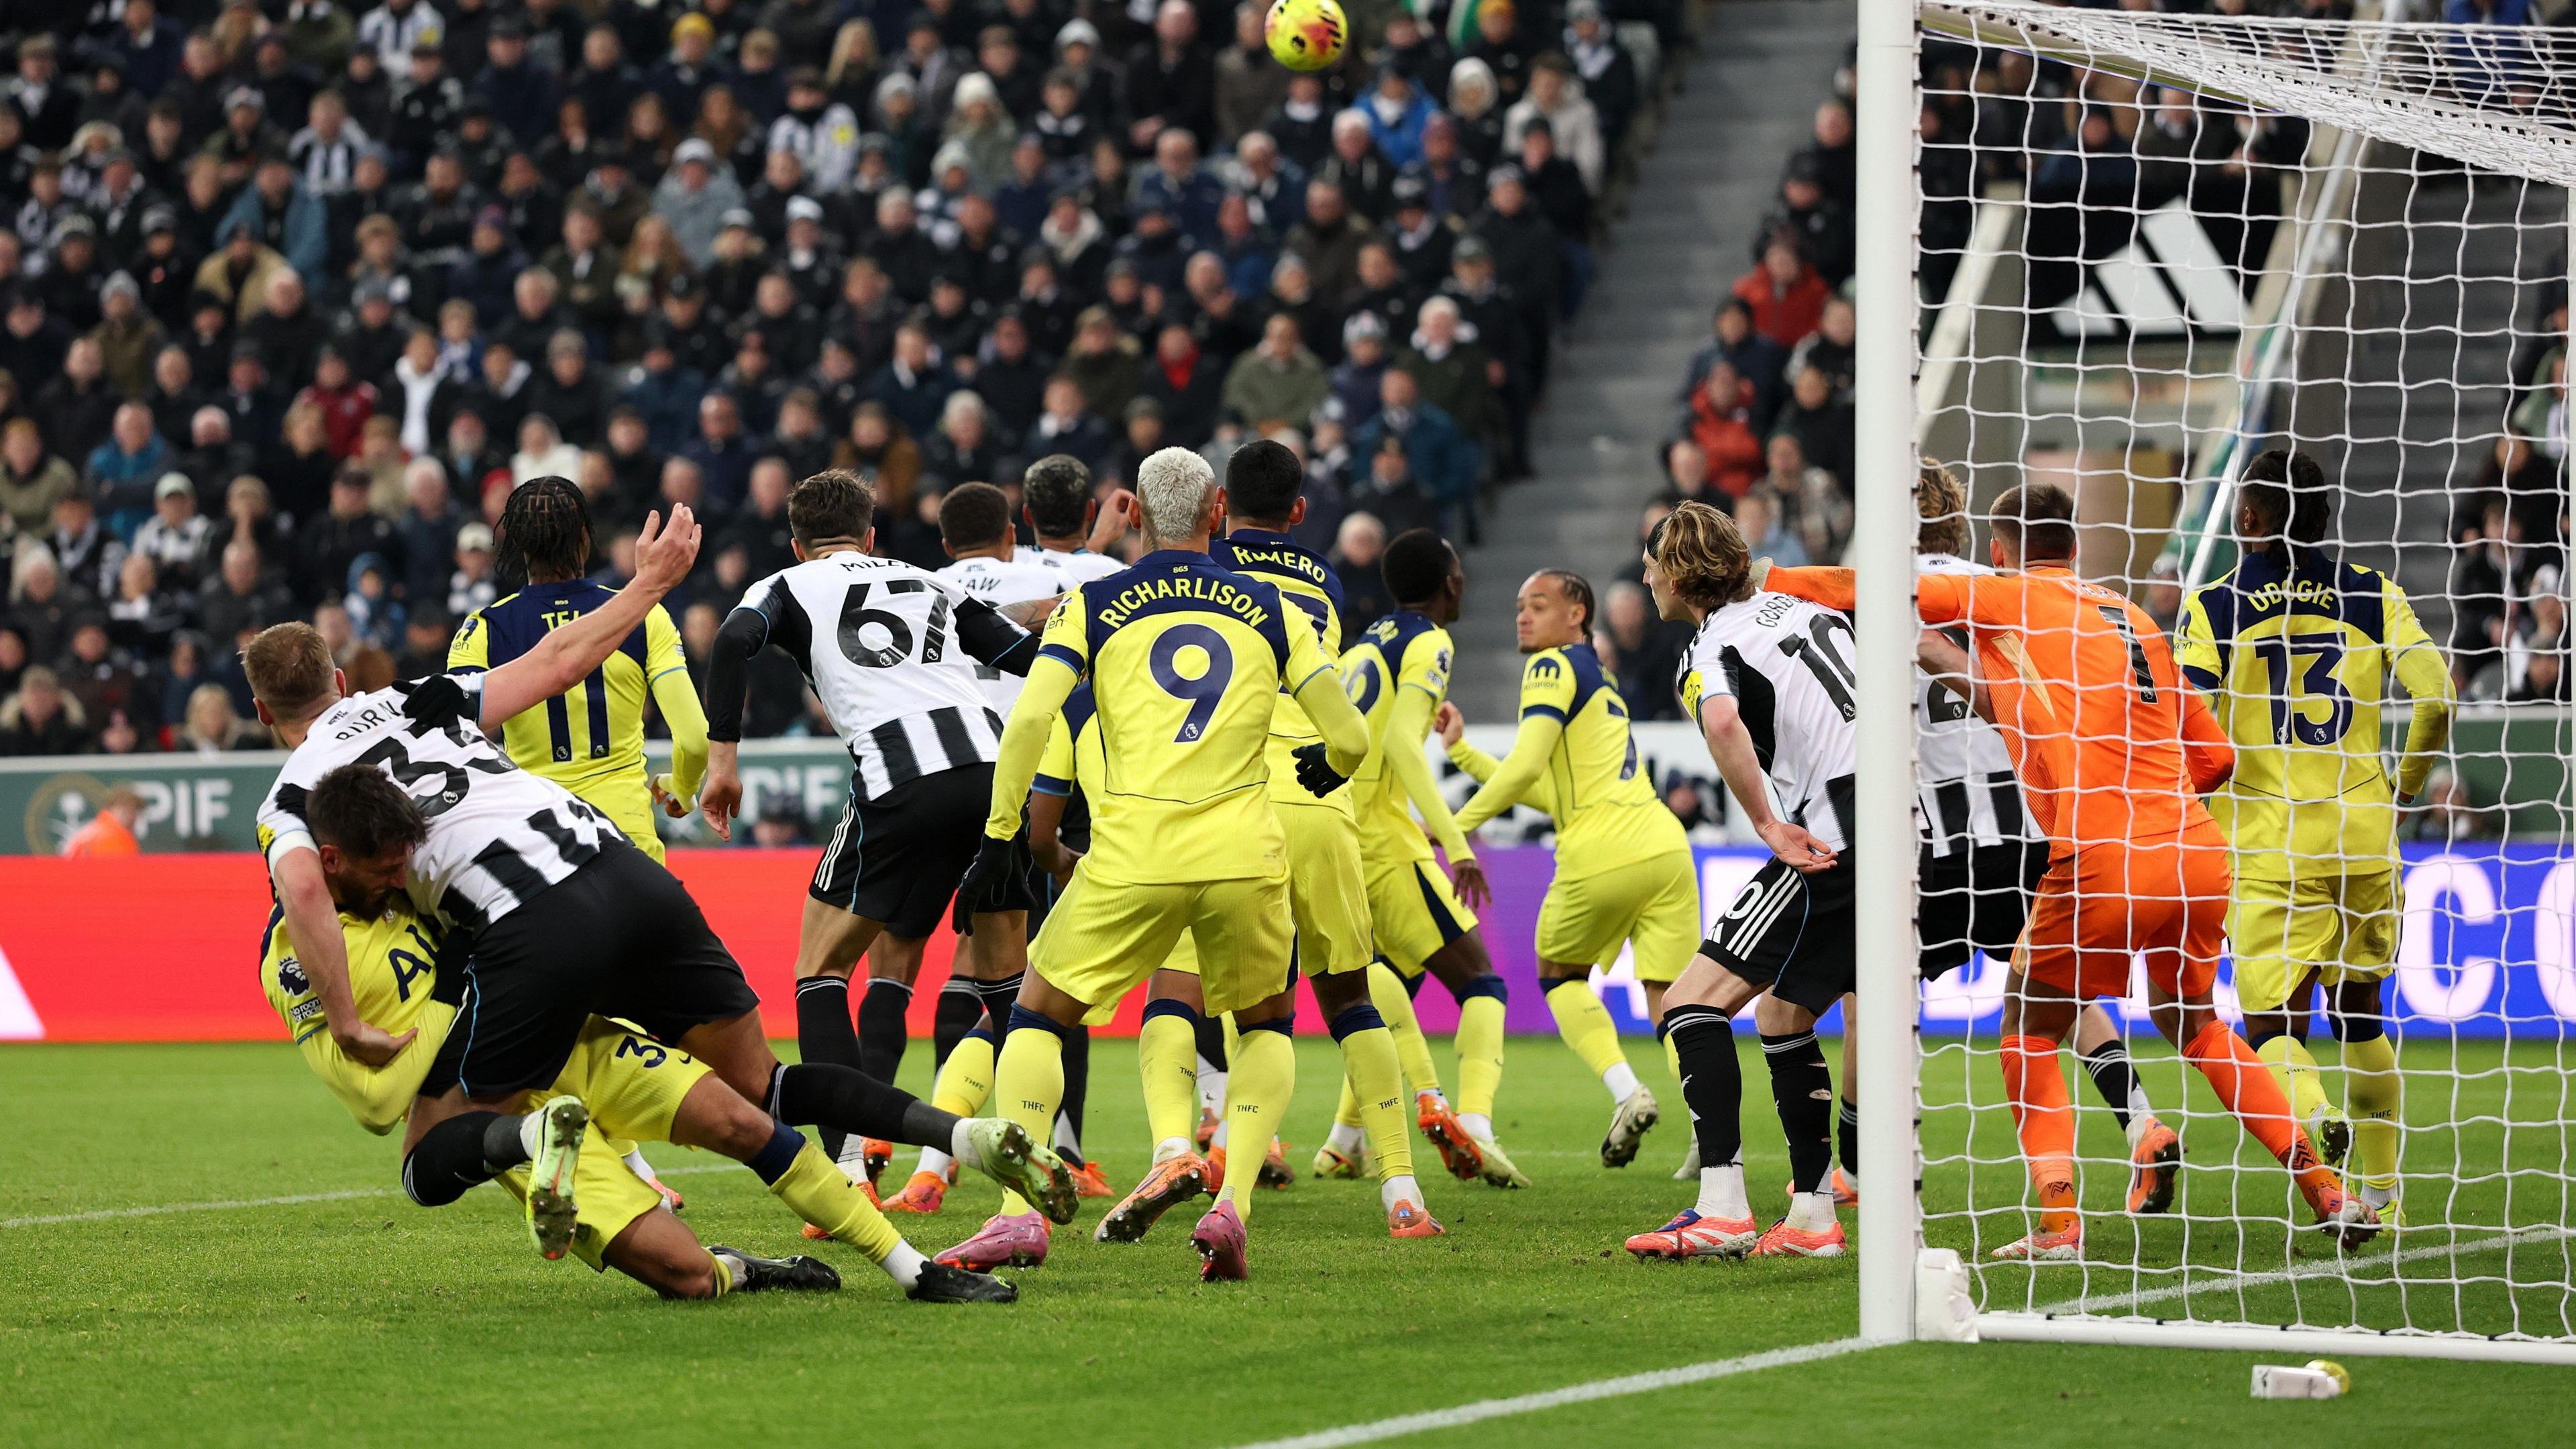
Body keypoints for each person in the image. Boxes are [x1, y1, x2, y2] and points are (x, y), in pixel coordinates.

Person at [239, 506, 1064, 1290]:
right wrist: (648, 585)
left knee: (430, 1157)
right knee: (765, 1084)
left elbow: (305, 886)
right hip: (630, 871)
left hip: (533, 922)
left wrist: (346, 1021)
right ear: (342, 678)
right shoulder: (421, 697)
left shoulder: (294, 793)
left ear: (261, 710)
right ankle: (961, 1134)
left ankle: (536, 1133)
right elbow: (561, 663)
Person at [1766, 482, 2378, 1258]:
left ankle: (2059, 1224)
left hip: (2098, 854)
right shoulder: (2137, 618)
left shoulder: (2007, 595)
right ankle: (2326, 1189)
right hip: (2195, 853)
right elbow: (2218, 757)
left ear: (1999, 550)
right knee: (2197, 1025)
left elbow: (1873, 589)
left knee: (2024, 1028)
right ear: (2077, 545)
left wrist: (1771, 580)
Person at [260, 771, 951, 1301]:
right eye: (382, 871)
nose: (395, 878)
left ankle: (907, 1262)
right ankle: (739, 1268)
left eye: (396, 865)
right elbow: (379, 1108)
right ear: (329, 860)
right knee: (688, 1279)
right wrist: (447, 988)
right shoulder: (295, 960)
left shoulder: (420, 866)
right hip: (493, 1097)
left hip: (567, 1034)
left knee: (743, 1117)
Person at [948, 445, 1373, 1281]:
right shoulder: (1274, 606)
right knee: (1263, 1026)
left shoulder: (1094, 602)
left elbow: (1034, 720)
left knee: (1037, 1015)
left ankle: (1017, 1219)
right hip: (1245, 854)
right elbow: (1349, 732)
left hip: (1133, 851)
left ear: (1133, 515)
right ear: (1218, 510)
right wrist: (1337, 766)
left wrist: (1003, 837)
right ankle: (1232, 1206)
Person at [696, 470, 1053, 1203]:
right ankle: (1034, 1167)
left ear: (798, 545)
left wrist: (723, 760)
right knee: (1008, 985)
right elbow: (1023, 657)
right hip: (994, 775)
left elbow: (733, 639)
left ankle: (849, 1171)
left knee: (820, 970)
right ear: (871, 536)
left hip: (902, 778)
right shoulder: (933, 583)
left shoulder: (789, 586)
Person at [2176, 448, 2456, 1222]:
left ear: (2250, 518)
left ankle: (2314, 1110)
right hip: (2364, 836)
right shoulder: (2374, 593)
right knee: (2362, 1012)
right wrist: (2400, 788)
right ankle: (2387, 1195)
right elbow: (2436, 698)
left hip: (2269, 844)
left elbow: (2186, 721)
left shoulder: (2215, 606)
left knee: (2270, 1026)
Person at [1894, 464, 2164, 1205]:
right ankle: (2142, 1123)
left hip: (1937, 841)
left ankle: (1866, 1171)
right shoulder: (2007, 588)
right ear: (1965, 523)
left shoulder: (1882, 595)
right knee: (2062, 997)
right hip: (2036, 828)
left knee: (1873, 992)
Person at [1199, 439, 1443, 1238]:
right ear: (1301, 513)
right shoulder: (1328, 584)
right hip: (1323, 798)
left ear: (1219, 507)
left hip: (1236, 798)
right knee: (1352, 996)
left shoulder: (1202, 567)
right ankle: (1402, 1190)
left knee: (1257, 1012)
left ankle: (1228, 1185)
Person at [1623, 500, 1858, 1260]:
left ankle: (1721, 1206)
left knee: (1691, 1004)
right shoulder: (1807, 607)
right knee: (1784, 1015)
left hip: (1835, 832)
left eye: (1654, 560)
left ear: (1681, 574)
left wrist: (1766, 823)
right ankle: (1814, 1219)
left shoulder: (1709, 646)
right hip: (1913, 825)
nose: (1647, 574)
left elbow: (1723, 724)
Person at [1440, 568, 1696, 1171]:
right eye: (1519, 606)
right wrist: (1460, 750)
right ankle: (1716, 1143)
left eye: (1539, 604)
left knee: (1558, 975)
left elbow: (1527, 766)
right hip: (1664, 850)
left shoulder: (1551, 667)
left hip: (1602, 853)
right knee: (1674, 1006)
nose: (1523, 617)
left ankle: (1626, 1092)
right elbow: (1550, 791)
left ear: (1577, 613)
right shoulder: (1599, 680)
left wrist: (1455, 828)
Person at [913, 479, 1110, 1210]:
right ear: (1011, 532)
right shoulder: (1061, 576)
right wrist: (1104, 544)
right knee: (1056, 969)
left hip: (947, 778)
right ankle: (1066, 1149)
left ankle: (938, 1155)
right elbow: (1086, 596)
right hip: (1037, 788)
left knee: (956, 969)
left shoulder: (921, 584)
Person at [1328, 529, 1521, 1189]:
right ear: (1451, 582)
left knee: (1390, 980)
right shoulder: (1429, 641)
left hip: (1338, 835)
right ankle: (1474, 1122)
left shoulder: (1368, 643)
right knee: (1483, 986)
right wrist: (1460, 846)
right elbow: (1407, 751)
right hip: (1385, 841)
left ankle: (1342, 1139)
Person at [449, 478, 708, 869]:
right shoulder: (642, 614)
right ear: (586, 538)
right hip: (628, 842)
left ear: (517, 546)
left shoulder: (483, 629)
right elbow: (694, 741)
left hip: (536, 845)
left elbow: (454, 737)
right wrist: (683, 789)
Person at [63, 783, 146, 857]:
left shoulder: (89, 831)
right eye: (127, 810)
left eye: (134, 811)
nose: (132, 816)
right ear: (113, 808)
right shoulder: (114, 837)